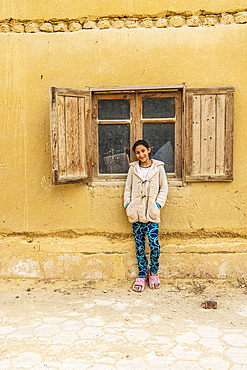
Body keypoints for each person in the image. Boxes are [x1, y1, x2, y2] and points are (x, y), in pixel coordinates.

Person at [124, 140, 168, 292]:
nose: (141, 154)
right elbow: (128, 189)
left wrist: (157, 205)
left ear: (149, 150)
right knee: (140, 247)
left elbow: (164, 188)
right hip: (136, 214)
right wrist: (128, 205)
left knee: (154, 245)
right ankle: (142, 275)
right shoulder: (133, 169)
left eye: (143, 151)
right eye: (137, 152)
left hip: (151, 214)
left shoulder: (158, 168)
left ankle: (153, 272)